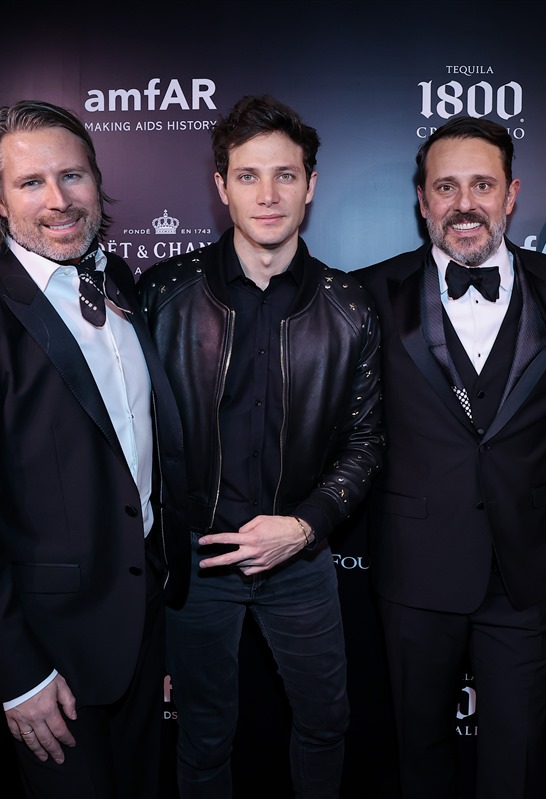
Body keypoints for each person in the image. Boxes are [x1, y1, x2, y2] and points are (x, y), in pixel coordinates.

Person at [0, 99, 188, 798]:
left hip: (142, 632)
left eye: (73, 176)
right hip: (51, 659)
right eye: (31, 183)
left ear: (98, 182)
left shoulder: (120, 282)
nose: (59, 200)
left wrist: (156, 622)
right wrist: (17, 675)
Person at [137, 95, 383, 799]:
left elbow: (366, 441)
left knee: (326, 721)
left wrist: (305, 525)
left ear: (311, 184)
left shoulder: (349, 305)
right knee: (204, 733)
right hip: (198, 560)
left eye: (285, 175)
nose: (267, 195)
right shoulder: (164, 293)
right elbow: (136, 439)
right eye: (247, 176)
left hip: (300, 558)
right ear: (220, 186)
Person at [354, 116, 546, 799]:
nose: (465, 203)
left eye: (482, 184)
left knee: (516, 764)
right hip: (415, 571)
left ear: (511, 194)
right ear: (422, 200)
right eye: (446, 187)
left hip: (526, 570)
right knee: (417, 758)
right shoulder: (369, 291)